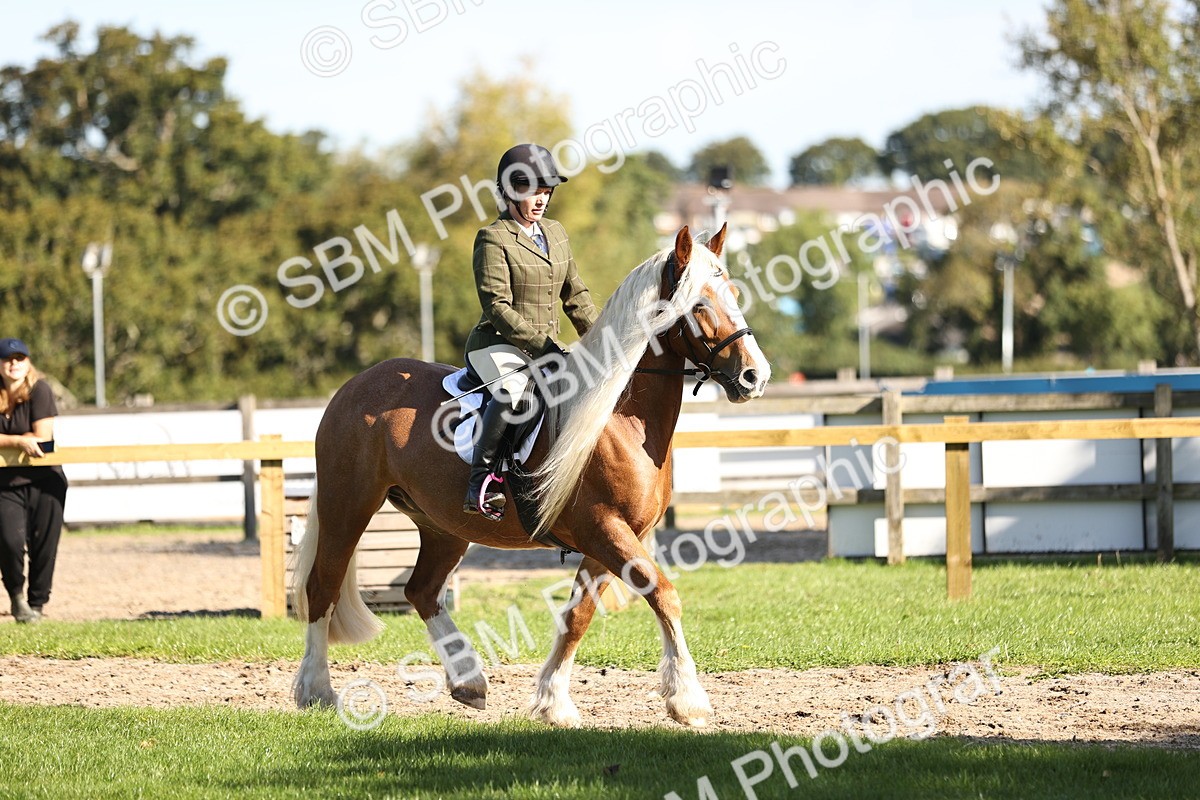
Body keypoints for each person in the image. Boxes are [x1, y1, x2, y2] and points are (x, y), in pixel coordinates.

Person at [462, 143, 599, 520]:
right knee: (514, 390)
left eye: (546, 191)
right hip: (497, 344)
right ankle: (481, 482)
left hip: (546, 347)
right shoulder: (493, 237)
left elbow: (576, 296)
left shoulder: (555, 233)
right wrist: (545, 347)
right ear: (509, 193)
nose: (540, 199)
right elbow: (497, 308)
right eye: (531, 191)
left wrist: (607, 340)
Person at [0, 338, 67, 623]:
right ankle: (16, 597)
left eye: (20, 358)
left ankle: (36, 605)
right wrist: (18, 439)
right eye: (8, 358)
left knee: (44, 546)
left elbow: (43, 438)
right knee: (10, 542)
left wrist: (7, 442)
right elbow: (29, 438)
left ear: (28, 362)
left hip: (45, 480)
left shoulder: (41, 390)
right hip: (5, 483)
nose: (14, 363)